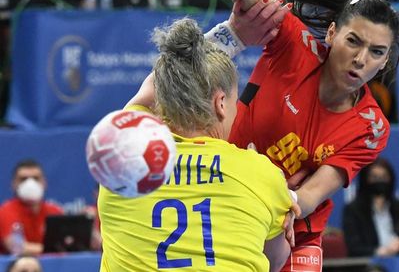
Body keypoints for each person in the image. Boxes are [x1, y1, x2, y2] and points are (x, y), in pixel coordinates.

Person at [128, 0, 399, 271]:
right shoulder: (294, 44)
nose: (362, 59)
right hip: (232, 198)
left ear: (385, 60)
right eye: (353, 41)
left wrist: (278, 197)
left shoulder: (371, 127)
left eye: (377, 52)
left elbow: (309, 196)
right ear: (333, 33)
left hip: (296, 229)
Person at [99, 18, 296, 272]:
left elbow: (151, 88)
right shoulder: (262, 174)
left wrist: (233, 33)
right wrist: (280, 202)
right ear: (221, 103)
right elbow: (275, 262)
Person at [0, 159, 63, 255]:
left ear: (44, 183)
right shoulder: (5, 211)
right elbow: (16, 247)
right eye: (23, 179)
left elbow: (65, 243)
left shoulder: (54, 211)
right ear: (13, 184)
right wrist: (52, 249)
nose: (30, 184)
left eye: (36, 178)